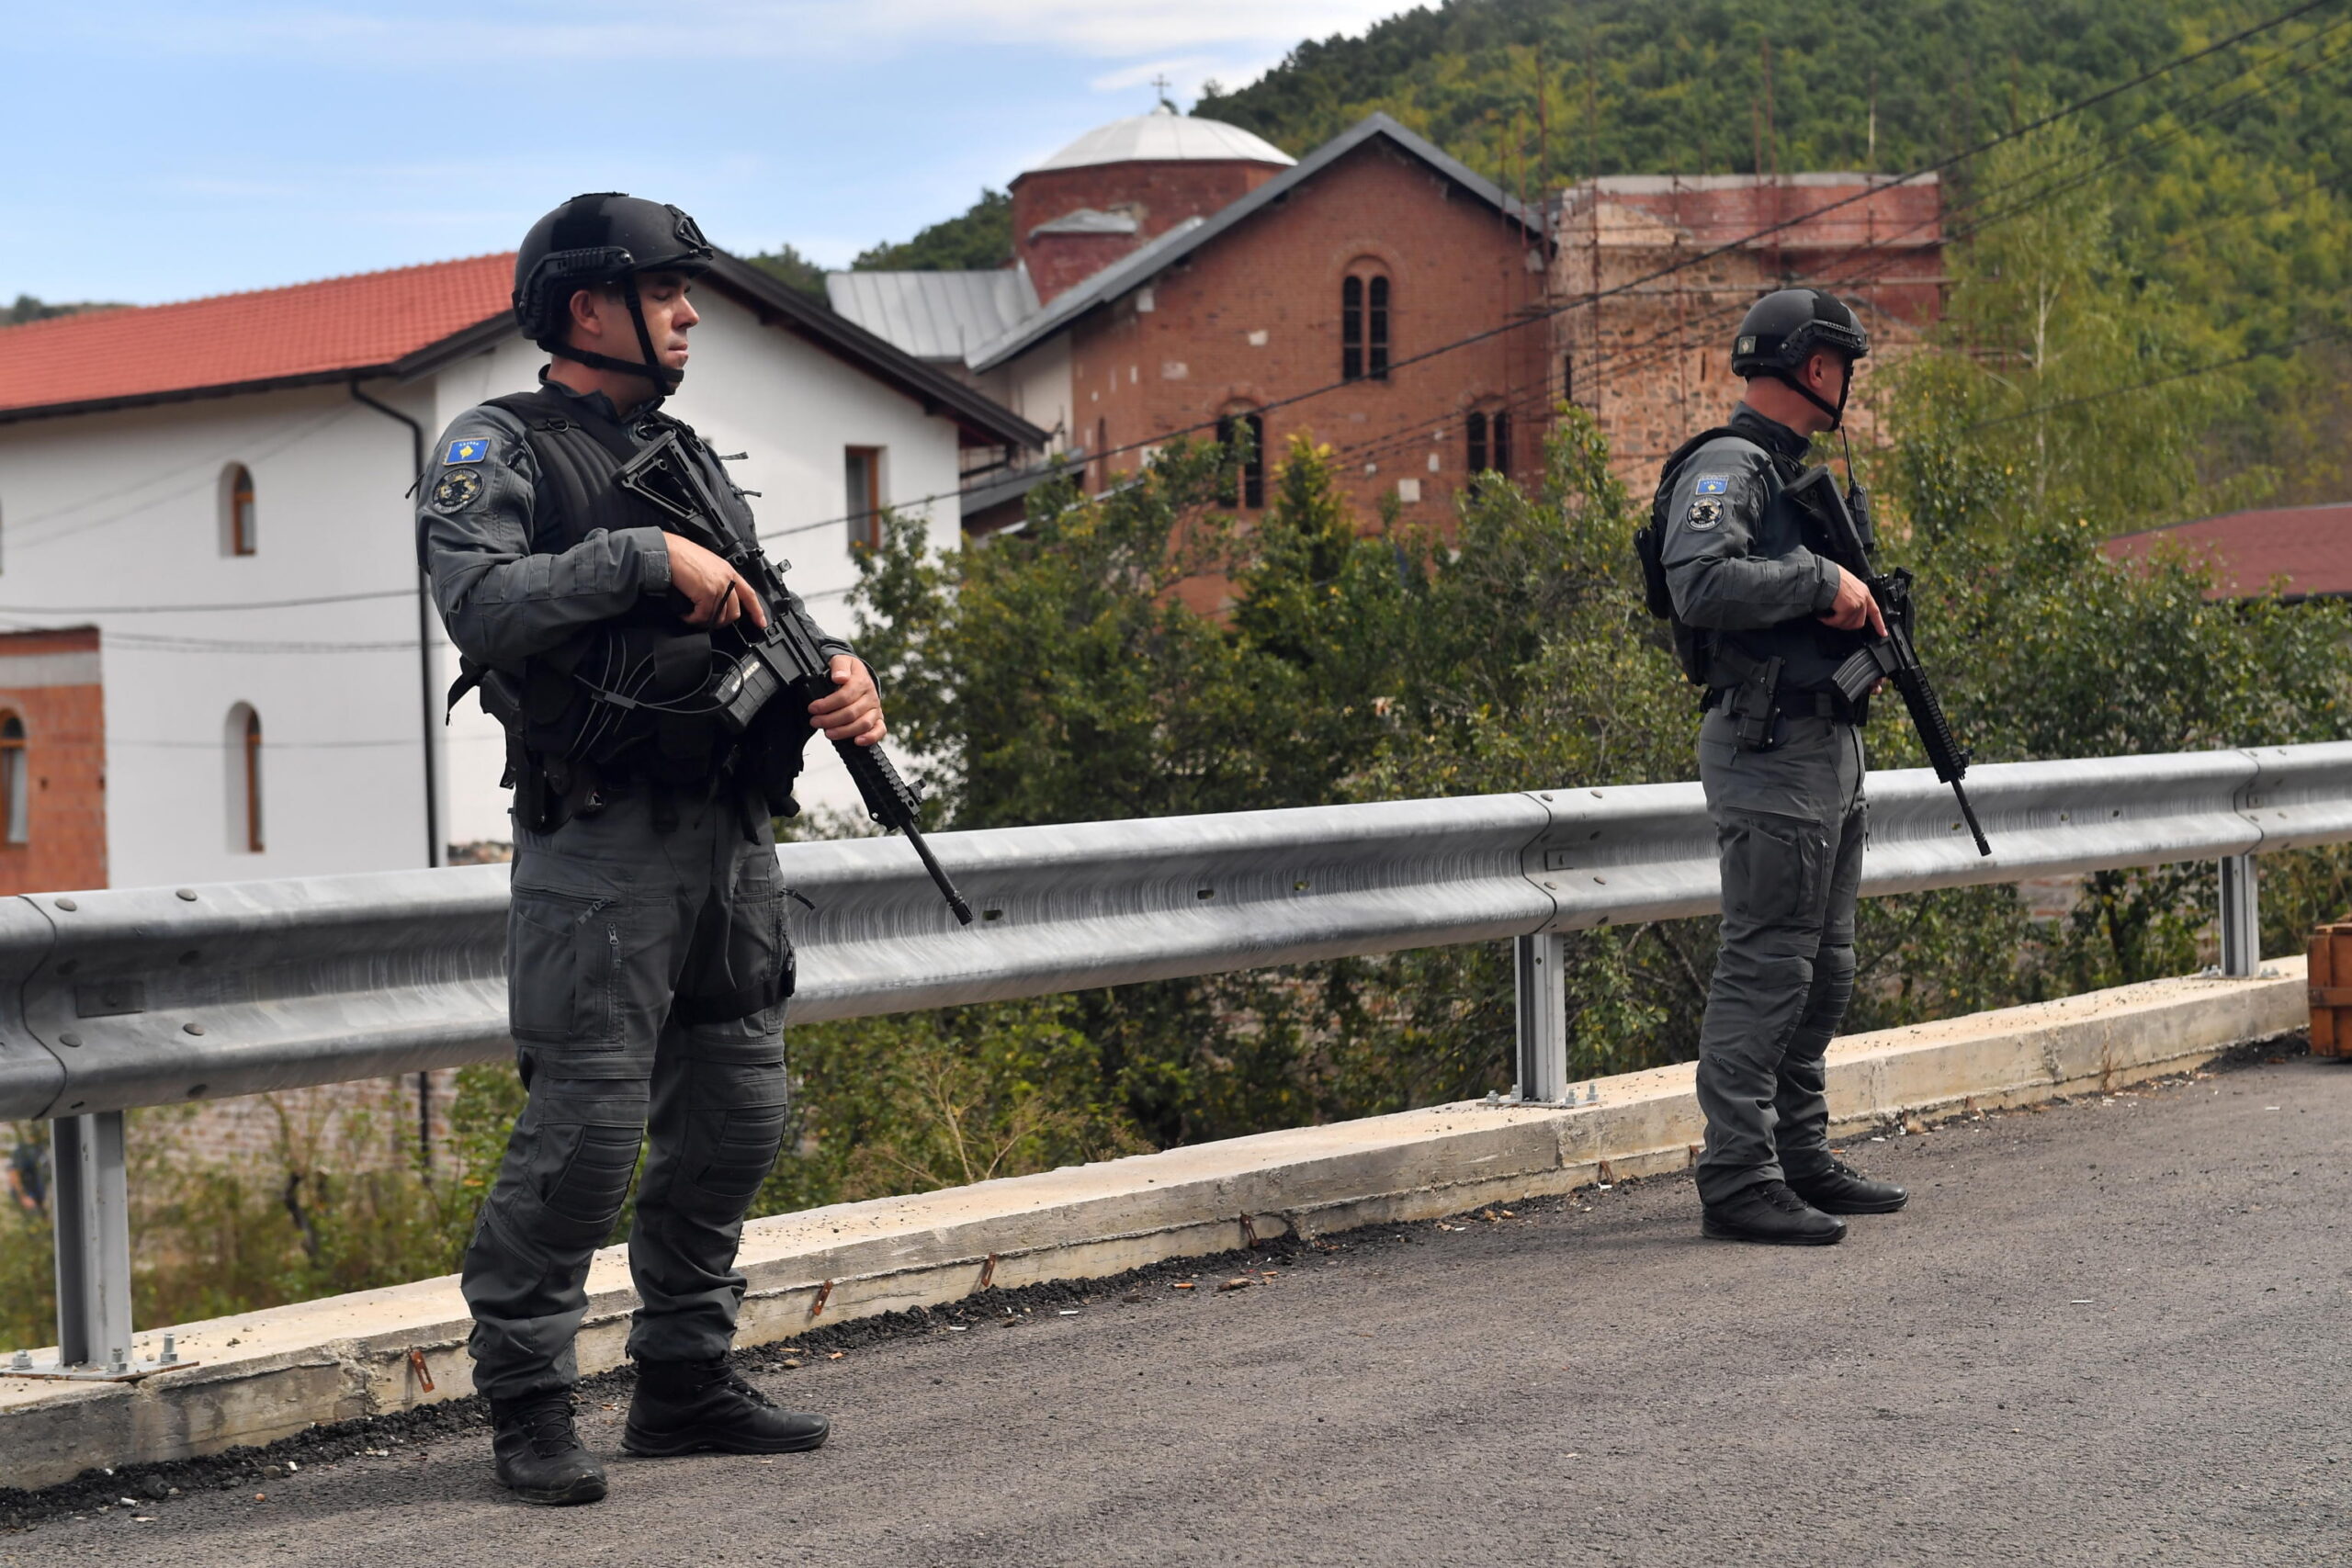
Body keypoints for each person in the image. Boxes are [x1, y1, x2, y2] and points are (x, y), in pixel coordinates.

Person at [418, 193, 886, 1505]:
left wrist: (843, 677)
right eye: (667, 290)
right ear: (587, 306)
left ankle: (683, 1380)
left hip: (726, 834)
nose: (690, 313)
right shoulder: (490, 446)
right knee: (586, 1129)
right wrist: (637, 557)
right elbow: (482, 601)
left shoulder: (685, 455)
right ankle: (527, 1398)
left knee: (739, 1114)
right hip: (599, 843)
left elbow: (765, 614)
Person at [1652, 288, 1911, 1247]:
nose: (1845, 382)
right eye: (1840, 364)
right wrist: (1818, 582)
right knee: (1767, 967)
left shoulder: (1792, 476)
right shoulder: (1728, 466)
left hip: (1821, 745)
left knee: (1822, 971)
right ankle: (1736, 1174)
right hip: (1767, 753)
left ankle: (1798, 1155)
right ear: (1813, 367)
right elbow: (1700, 583)